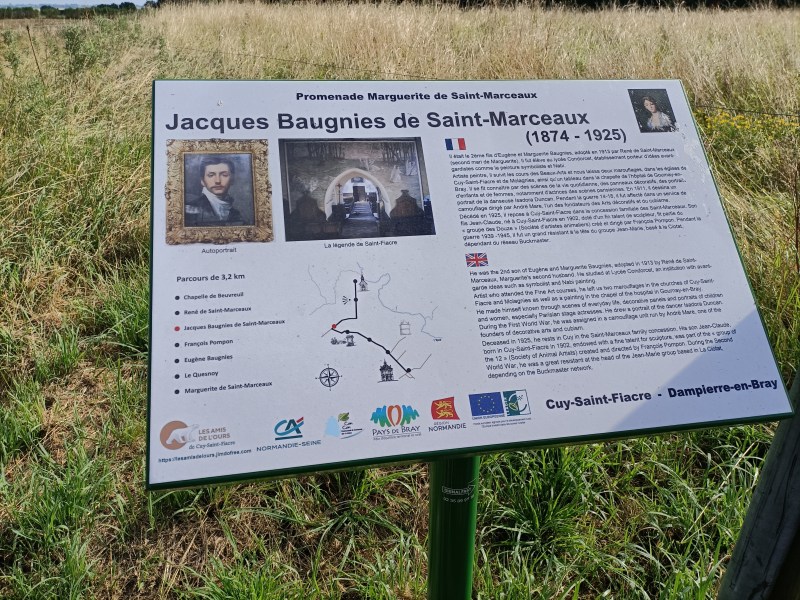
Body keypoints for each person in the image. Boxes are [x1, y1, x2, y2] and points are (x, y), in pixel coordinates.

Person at [184, 156, 249, 226]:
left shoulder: (236, 214)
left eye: (224, 175)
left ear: (232, 179)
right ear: (202, 181)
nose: (217, 181)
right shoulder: (189, 209)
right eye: (211, 175)